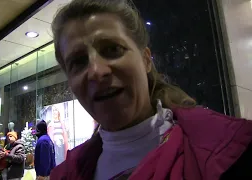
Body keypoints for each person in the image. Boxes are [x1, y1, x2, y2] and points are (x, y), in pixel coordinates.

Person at [49, 0, 252, 179]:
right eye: (78, 62)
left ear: (146, 60)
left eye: (112, 50)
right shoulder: (66, 174)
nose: (96, 72)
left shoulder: (230, 155)